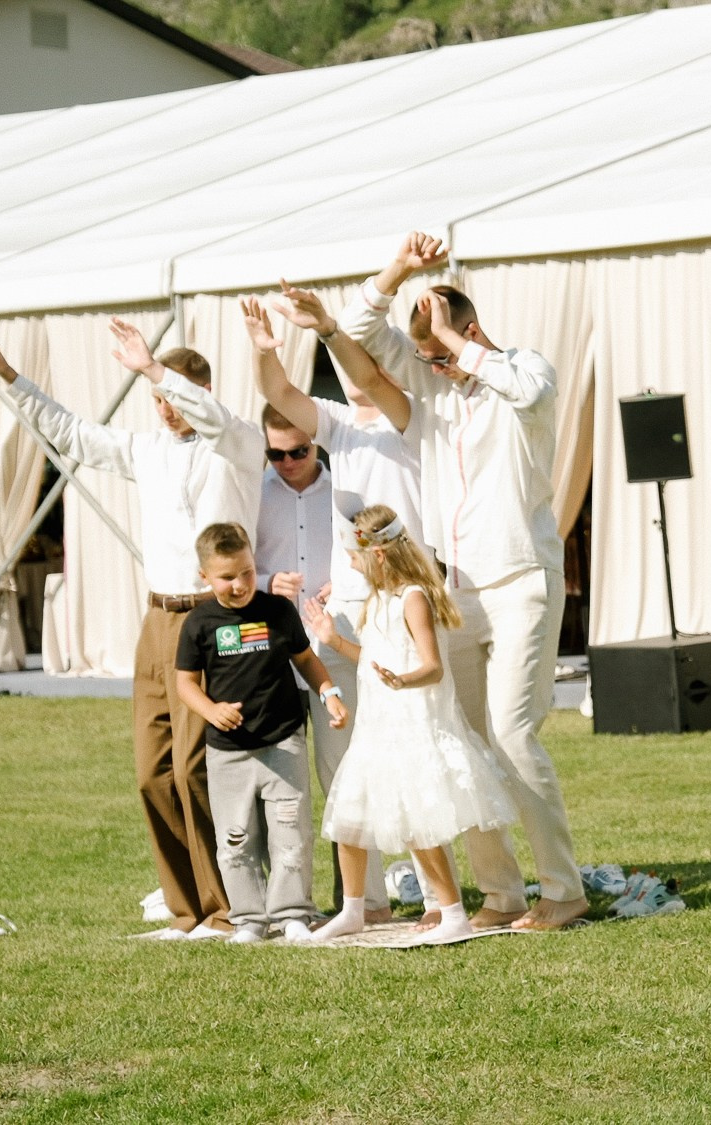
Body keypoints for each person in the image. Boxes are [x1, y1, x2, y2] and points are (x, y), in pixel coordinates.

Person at [0, 318, 259, 939]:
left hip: (211, 616)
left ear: (202, 392)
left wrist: (156, 370)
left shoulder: (235, 443)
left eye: (174, 394)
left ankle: (228, 910)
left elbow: (207, 415)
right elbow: (72, 434)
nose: (165, 408)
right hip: (156, 617)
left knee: (194, 768)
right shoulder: (145, 450)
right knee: (153, 771)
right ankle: (187, 910)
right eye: (157, 398)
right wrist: (10, 377)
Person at [338, 232, 587, 931]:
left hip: (524, 582)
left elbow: (527, 384)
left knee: (512, 736)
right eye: (430, 359)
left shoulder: (522, 373)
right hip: (461, 591)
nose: (437, 369)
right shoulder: (434, 394)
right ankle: (501, 892)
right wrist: (401, 271)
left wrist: (454, 337)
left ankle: (563, 889)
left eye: (443, 355)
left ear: (469, 330)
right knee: (463, 741)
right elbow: (358, 330)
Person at [244, 291, 428, 925]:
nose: (356, 385)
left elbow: (376, 375)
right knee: (343, 764)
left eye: (361, 373)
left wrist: (328, 327)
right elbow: (283, 397)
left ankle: (443, 896)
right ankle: (367, 901)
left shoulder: (413, 421)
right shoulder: (339, 427)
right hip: (339, 623)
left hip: (403, 609)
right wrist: (266, 352)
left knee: (414, 752)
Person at [303, 506, 521, 944]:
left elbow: (432, 667)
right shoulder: (378, 600)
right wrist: (333, 640)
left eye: (352, 554)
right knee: (350, 812)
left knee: (417, 821)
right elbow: (376, 661)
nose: (348, 562)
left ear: (378, 555)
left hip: (412, 723)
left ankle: (452, 910)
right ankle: (352, 909)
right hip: (377, 724)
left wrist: (402, 681)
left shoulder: (413, 597)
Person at [174, 522, 346, 944]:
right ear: (205, 577)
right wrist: (211, 710)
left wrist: (330, 693)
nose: (240, 584)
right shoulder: (199, 623)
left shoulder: (277, 611)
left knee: (291, 834)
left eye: (247, 572)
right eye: (227, 577)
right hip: (228, 753)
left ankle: (292, 914)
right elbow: (185, 684)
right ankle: (249, 919)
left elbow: (305, 660)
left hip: (283, 743)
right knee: (236, 838)